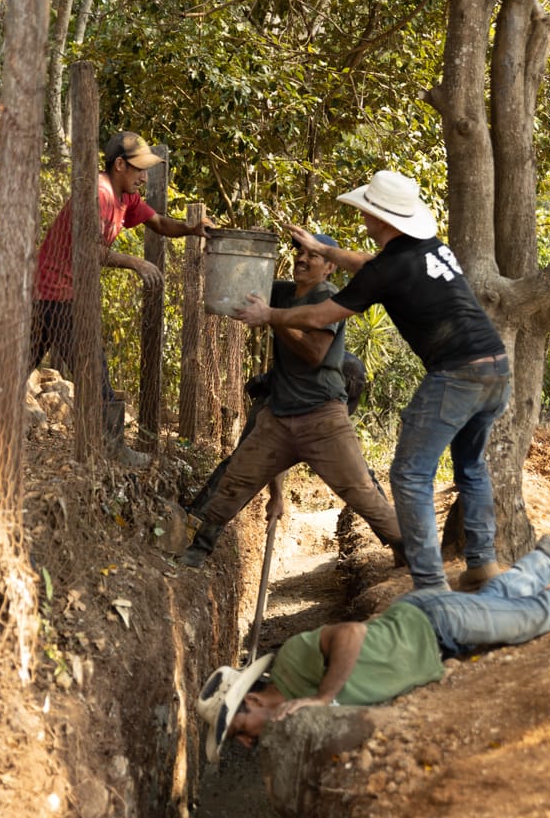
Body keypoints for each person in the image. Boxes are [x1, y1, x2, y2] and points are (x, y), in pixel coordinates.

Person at [196, 536, 550, 818]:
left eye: (241, 732)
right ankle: (545, 559)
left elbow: (352, 632)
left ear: (253, 700)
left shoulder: (293, 662)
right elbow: (301, 805)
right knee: (498, 602)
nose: (248, 744)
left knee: (535, 618)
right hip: (432, 637)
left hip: (430, 622)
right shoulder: (294, 722)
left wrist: (324, 696)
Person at [236, 170, 510, 594]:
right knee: (471, 466)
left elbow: (320, 316)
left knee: (410, 475)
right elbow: (368, 264)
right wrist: (323, 248)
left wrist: (268, 315)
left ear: (380, 217)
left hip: (457, 374)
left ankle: (430, 586)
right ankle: (482, 563)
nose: (363, 216)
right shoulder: (428, 248)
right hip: (496, 367)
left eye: (366, 211)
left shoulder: (387, 269)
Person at [179, 233, 404, 568]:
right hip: (279, 418)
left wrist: (271, 316)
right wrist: (220, 245)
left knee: (362, 493)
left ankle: (409, 551)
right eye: (299, 252)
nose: (301, 259)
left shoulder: (328, 297)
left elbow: (314, 352)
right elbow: (239, 286)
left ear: (329, 267)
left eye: (312, 255)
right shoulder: (282, 292)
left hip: (323, 419)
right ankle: (197, 552)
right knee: (235, 483)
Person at [30, 131, 214, 467]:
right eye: (139, 169)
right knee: (94, 372)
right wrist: (135, 262)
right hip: (56, 296)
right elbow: (88, 250)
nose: (144, 177)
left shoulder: (125, 197)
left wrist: (191, 229)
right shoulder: (100, 195)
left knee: (22, 369)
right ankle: (112, 450)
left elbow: (159, 223)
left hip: (51, 293)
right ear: (119, 165)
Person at [184, 349, 383, 526]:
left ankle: (391, 528)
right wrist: (277, 496)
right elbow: (278, 448)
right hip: (272, 397)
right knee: (243, 464)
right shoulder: (303, 385)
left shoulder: (345, 385)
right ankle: (198, 520)